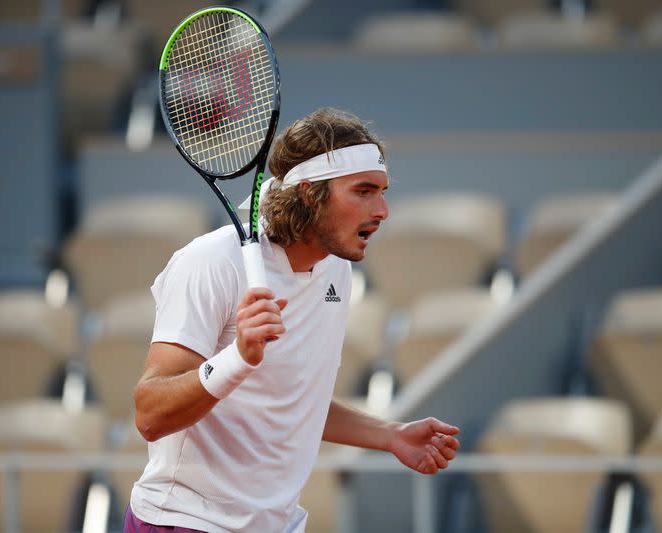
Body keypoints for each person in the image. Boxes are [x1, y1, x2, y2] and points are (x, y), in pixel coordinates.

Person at [126, 108, 460, 533]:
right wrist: (238, 358)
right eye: (363, 191)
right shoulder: (210, 262)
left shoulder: (336, 270)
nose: (383, 210)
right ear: (309, 193)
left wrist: (389, 435)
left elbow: (295, 401)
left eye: (382, 191)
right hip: (186, 523)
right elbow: (149, 414)